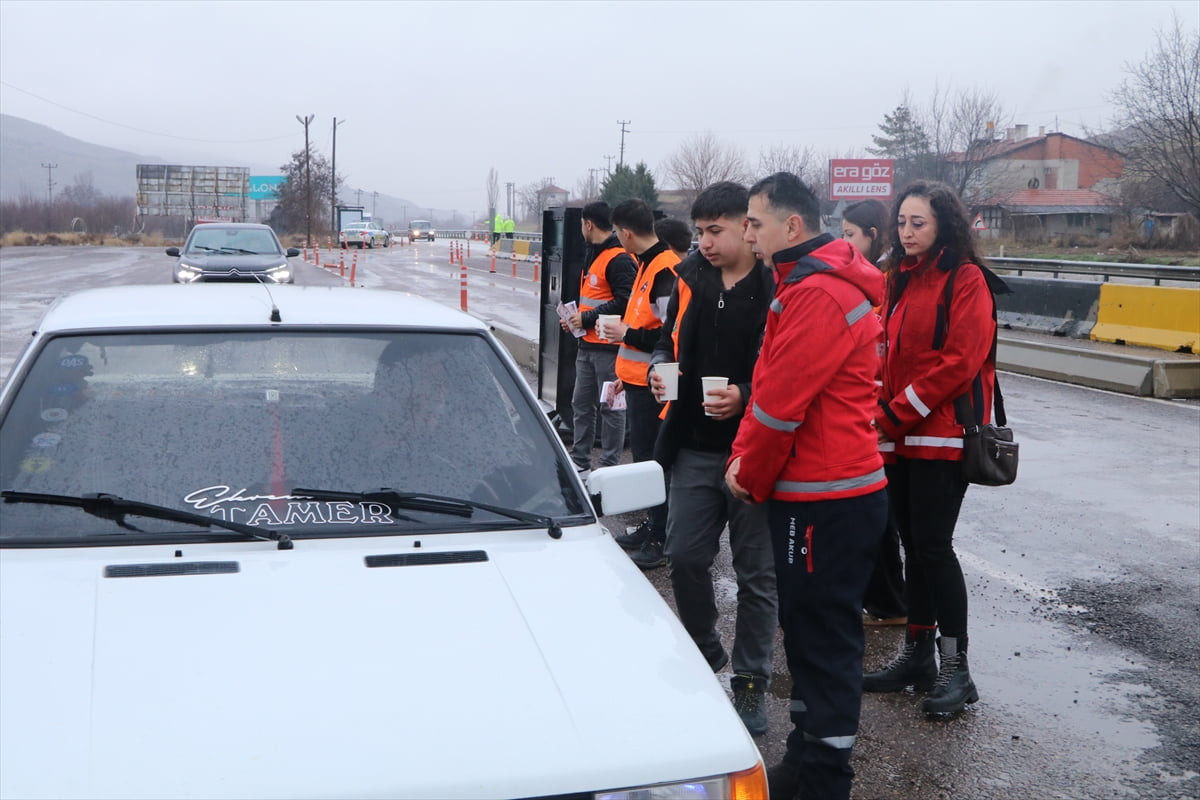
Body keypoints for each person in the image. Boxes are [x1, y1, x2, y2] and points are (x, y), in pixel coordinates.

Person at [725, 172, 887, 800]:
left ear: (792, 227)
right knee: (810, 629)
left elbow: (780, 407)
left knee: (824, 637)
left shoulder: (816, 293)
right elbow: (769, 389)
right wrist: (745, 457)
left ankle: (825, 775)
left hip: (827, 495)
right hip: (823, 490)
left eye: (755, 223)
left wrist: (748, 473)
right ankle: (806, 754)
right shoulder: (804, 285)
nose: (748, 235)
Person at [864, 180, 1006, 717]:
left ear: (944, 223)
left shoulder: (966, 280)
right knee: (913, 546)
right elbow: (886, 354)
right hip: (898, 439)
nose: (907, 232)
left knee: (934, 546)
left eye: (917, 223)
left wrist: (896, 412)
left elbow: (960, 361)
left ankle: (956, 667)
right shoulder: (898, 279)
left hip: (941, 436)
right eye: (901, 222)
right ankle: (917, 656)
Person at [647, 181, 777, 737]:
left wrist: (745, 394)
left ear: (746, 228)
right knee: (684, 556)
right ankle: (704, 651)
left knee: (757, 577)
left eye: (715, 231)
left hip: (754, 452)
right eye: (698, 231)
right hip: (694, 448)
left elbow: (788, 369)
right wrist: (659, 368)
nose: (703, 242)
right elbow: (665, 341)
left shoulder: (776, 285)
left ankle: (751, 684)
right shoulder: (689, 279)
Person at [842, 198, 908, 626]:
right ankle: (885, 600)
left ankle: (890, 603)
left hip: (884, 413)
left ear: (873, 235)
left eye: (850, 235)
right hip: (874, 410)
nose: (844, 244)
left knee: (882, 517)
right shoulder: (872, 280)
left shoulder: (885, 282)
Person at [606, 198, 680, 568]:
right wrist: (625, 377)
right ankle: (652, 526)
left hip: (656, 387)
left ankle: (662, 537)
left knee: (656, 464)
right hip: (639, 384)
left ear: (626, 232)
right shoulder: (646, 264)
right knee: (646, 460)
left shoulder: (665, 269)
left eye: (619, 234)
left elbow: (672, 336)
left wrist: (626, 332)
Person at [559, 202, 636, 479]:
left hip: (610, 349)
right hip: (587, 346)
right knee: (581, 405)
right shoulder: (595, 255)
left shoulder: (619, 258)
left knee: (611, 407)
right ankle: (581, 460)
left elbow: (626, 301)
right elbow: (596, 299)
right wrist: (576, 320)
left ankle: (609, 466)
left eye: (582, 224)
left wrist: (588, 317)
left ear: (588, 224)